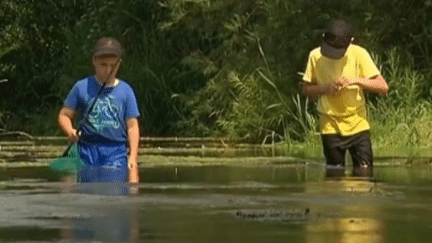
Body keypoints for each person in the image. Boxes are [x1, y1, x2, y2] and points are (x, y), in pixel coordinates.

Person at [302, 20, 388, 168]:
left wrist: (355, 81)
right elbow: (307, 90)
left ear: (350, 42)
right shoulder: (315, 56)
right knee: (334, 174)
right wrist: (326, 88)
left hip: (358, 124)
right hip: (330, 125)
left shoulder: (359, 54)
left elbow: (383, 87)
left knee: (364, 173)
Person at [58, 37, 140, 184]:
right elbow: (64, 115)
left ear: (119, 64)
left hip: (116, 152)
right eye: (103, 65)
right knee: (87, 195)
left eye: (112, 66)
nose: (108, 70)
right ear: (94, 61)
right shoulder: (81, 87)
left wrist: (133, 157)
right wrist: (70, 131)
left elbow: (132, 126)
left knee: (114, 193)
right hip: (86, 151)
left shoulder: (126, 91)